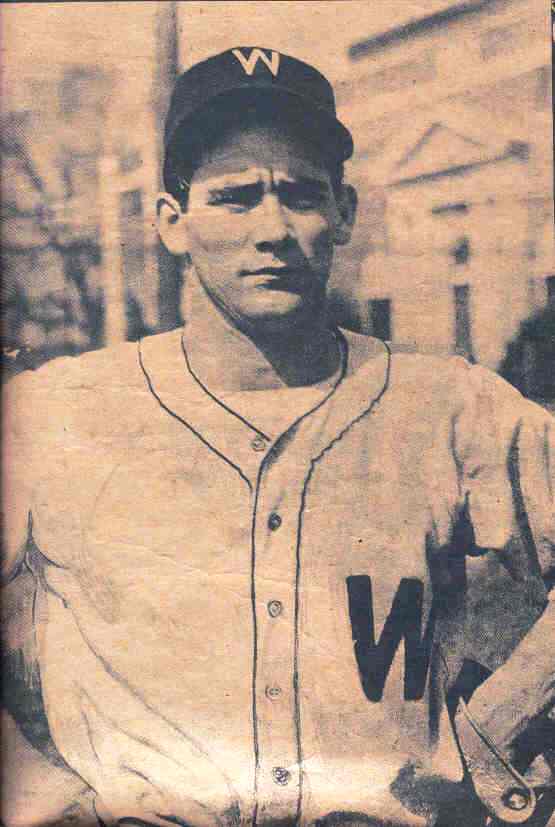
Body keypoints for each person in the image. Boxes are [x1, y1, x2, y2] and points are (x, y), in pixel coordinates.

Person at [2, 47, 554, 827]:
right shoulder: (62, 409)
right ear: (171, 221)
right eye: (234, 198)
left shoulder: (448, 407)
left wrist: (493, 730)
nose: (273, 230)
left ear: (344, 213)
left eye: (299, 195)